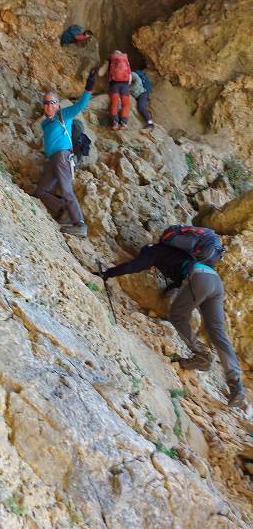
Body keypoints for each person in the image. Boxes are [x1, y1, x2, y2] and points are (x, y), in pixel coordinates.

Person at [98, 241, 245, 408]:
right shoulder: (175, 253)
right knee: (217, 331)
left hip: (198, 277)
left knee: (177, 316)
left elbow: (134, 266)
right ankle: (235, 384)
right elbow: (181, 275)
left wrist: (107, 273)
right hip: (215, 281)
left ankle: (202, 354)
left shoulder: (152, 251)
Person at [35, 67, 97, 238]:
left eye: (52, 102)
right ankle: (62, 210)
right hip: (52, 160)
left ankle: (80, 224)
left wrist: (89, 86)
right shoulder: (45, 124)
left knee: (66, 189)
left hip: (62, 157)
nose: (49, 106)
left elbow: (81, 105)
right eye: (46, 103)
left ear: (57, 104)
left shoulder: (63, 115)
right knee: (41, 191)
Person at [98, 51, 131, 130]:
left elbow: (100, 73)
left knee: (114, 104)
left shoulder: (110, 60)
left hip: (114, 85)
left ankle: (115, 123)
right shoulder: (125, 60)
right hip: (125, 85)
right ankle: (123, 123)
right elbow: (129, 76)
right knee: (126, 105)